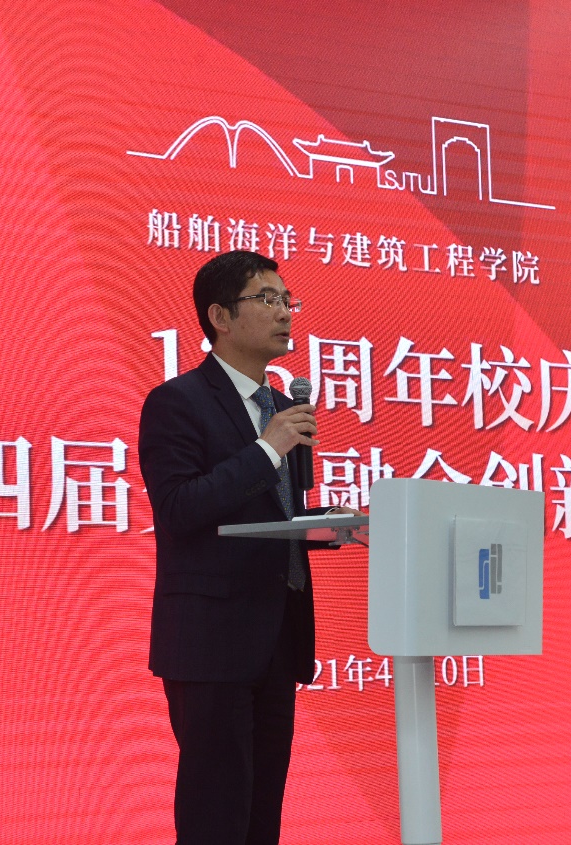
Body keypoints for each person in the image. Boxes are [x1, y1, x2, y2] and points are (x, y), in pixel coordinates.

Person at [139, 250, 356, 845]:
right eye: (267, 299)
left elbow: (272, 516)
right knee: (216, 818)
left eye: (288, 300)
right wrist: (266, 449)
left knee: (262, 818)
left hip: (277, 636)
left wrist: (329, 525)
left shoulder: (282, 409)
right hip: (211, 642)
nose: (285, 312)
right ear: (220, 317)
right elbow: (179, 509)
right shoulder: (177, 402)